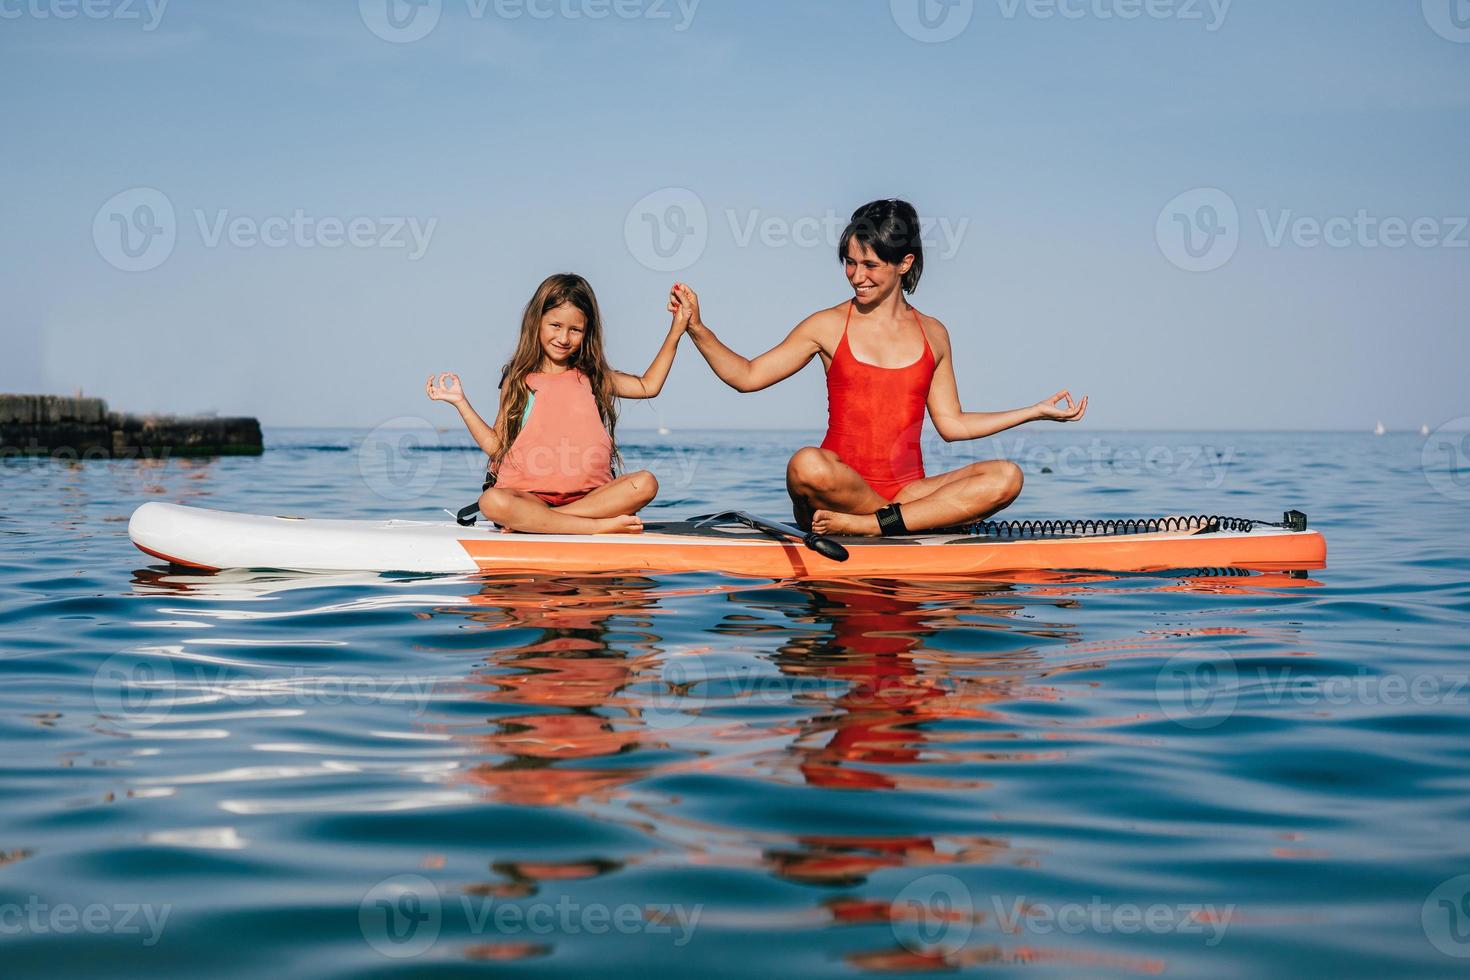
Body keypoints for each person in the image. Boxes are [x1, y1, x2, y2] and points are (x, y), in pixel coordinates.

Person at [674, 198, 1087, 536]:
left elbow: (953, 424)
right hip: (836, 492)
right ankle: (907, 522)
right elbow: (747, 377)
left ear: (903, 263)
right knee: (806, 464)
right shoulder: (828, 325)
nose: (856, 276)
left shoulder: (934, 333)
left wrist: (1033, 411)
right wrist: (697, 328)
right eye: (850, 263)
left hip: (907, 494)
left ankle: (876, 524)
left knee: (1006, 475)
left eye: (870, 265)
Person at [428, 272, 689, 534]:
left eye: (575, 330)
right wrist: (461, 403)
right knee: (492, 501)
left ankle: (544, 521)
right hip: (530, 497)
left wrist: (676, 330)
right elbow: (497, 447)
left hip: (590, 500)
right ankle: (594, 527)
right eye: (555, 326)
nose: (564, 338)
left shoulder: (594, 377)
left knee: (645, 483)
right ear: (537, 322)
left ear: (586, 332)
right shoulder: (519, 379)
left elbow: (649, 386)